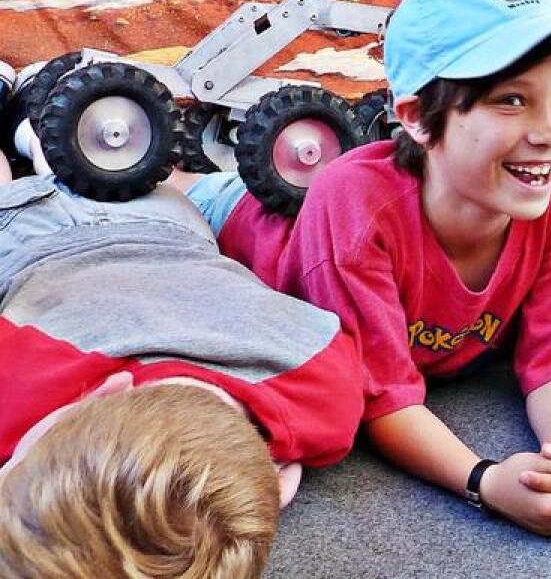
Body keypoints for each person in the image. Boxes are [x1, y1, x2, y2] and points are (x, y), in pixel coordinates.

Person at [184, 0, 551, 537]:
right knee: (173, 198)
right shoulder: (357, 208)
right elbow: (381, 395)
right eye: (511, 101)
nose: (549, 132)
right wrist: (485, 481)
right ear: (416, 117)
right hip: (251, 226)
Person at [0, 140, 363, 578]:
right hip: (31, 234)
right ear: (104, 391)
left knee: (82, 154)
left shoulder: (323, 392)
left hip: (168, 220)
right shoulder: (20, 390)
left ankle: (38, 132)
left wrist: (258, 476)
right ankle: (33, 132)